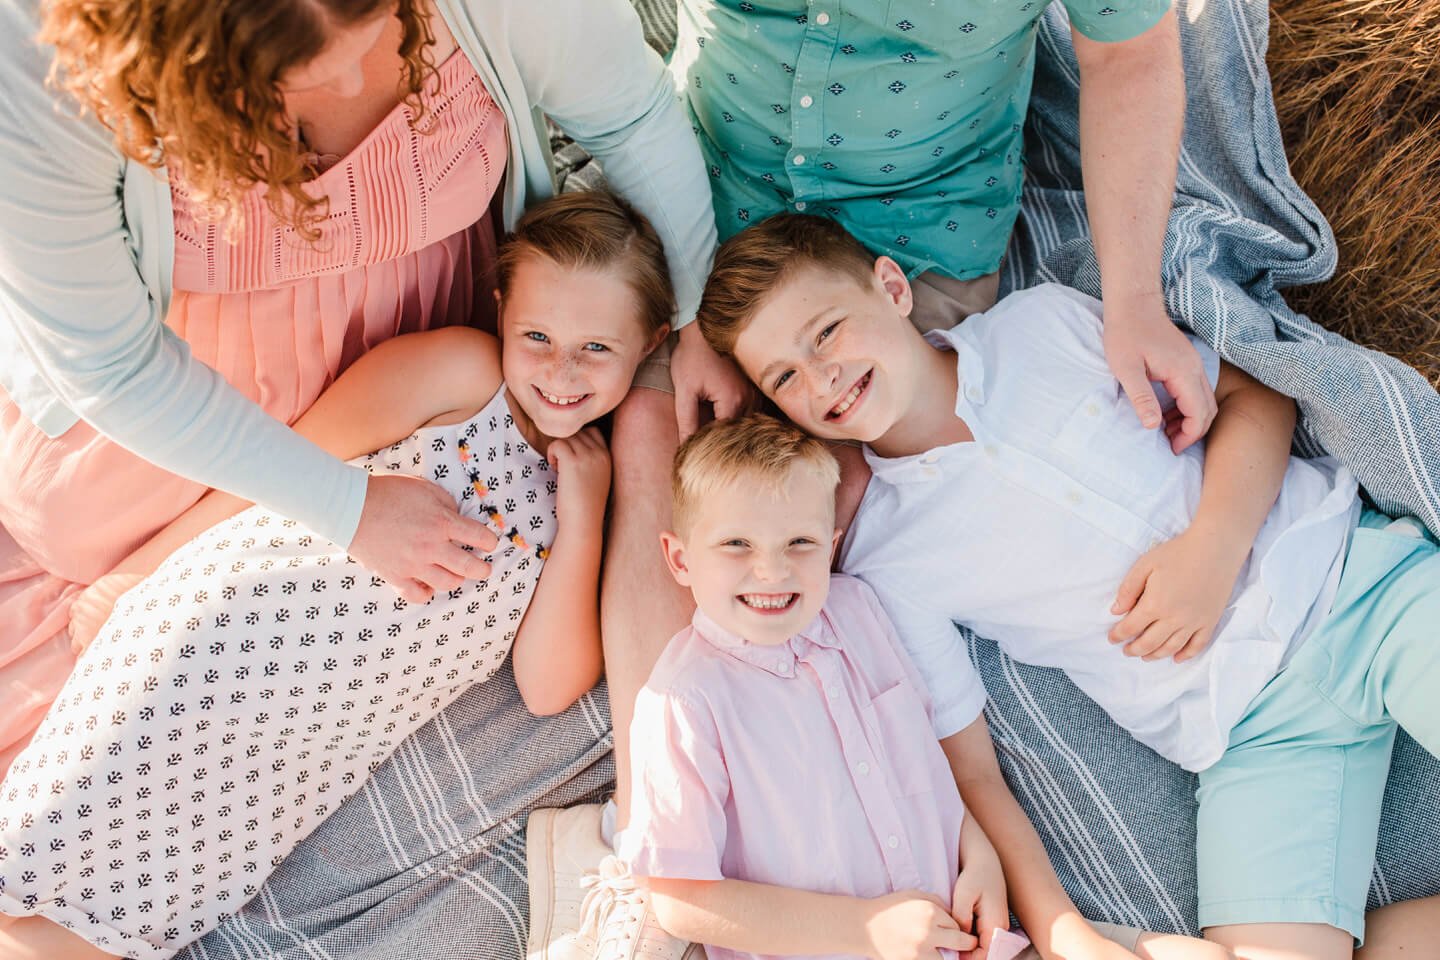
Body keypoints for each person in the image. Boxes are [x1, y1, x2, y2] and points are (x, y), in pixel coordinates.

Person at [574, 6, 1218, 952]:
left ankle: (859, 859)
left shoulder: (919, 332)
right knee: (659, 444)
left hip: (913, 237)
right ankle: (655, 829)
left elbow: (1130, 50)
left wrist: (1132, 306)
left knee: (842, 514)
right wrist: (685, 314)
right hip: (707, 215)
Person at [695, 212, 1440, 960]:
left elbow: (1258, 399)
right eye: (782, 376)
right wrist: (1059, 930)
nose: (819, 376)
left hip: (1357, 585)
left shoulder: (1042, 324)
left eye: (826, 332)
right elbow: (974, 768)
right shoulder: (882, 562)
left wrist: (1214, 548)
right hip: (1250, 729)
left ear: (891, 288)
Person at [0, 0, 718, 772]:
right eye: (296, 75)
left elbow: (632, 119)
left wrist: (696, 318)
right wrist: (348, 507)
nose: (350, 79)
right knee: (110, 671)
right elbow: (113, 367)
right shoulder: (37, 60)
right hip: (185, 419)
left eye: (378, 19)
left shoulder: (477, 377)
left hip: (416, 362)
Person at [0, 190, 671, 960]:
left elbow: (549, 687)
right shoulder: (463, 373)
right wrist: (142, 576)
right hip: (219, 651)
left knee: (116, 933)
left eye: (596, 349)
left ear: (649, 343)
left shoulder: (591, 491)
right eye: (539, 335)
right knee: (37, 884)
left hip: (307, 754)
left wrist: (583, 516)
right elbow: (283, 466)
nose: (560, 369)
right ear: (501, 309)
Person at [611, 414, 1221, 960]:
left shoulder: (858, 612)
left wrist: (978, 854)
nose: (771, 570)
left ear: (831, 546)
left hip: (966, 935)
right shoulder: (684, 701)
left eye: (799, 542)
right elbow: (681, 899)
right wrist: (866, 929)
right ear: (682, 559)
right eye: (736, 545)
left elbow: (922, 764)